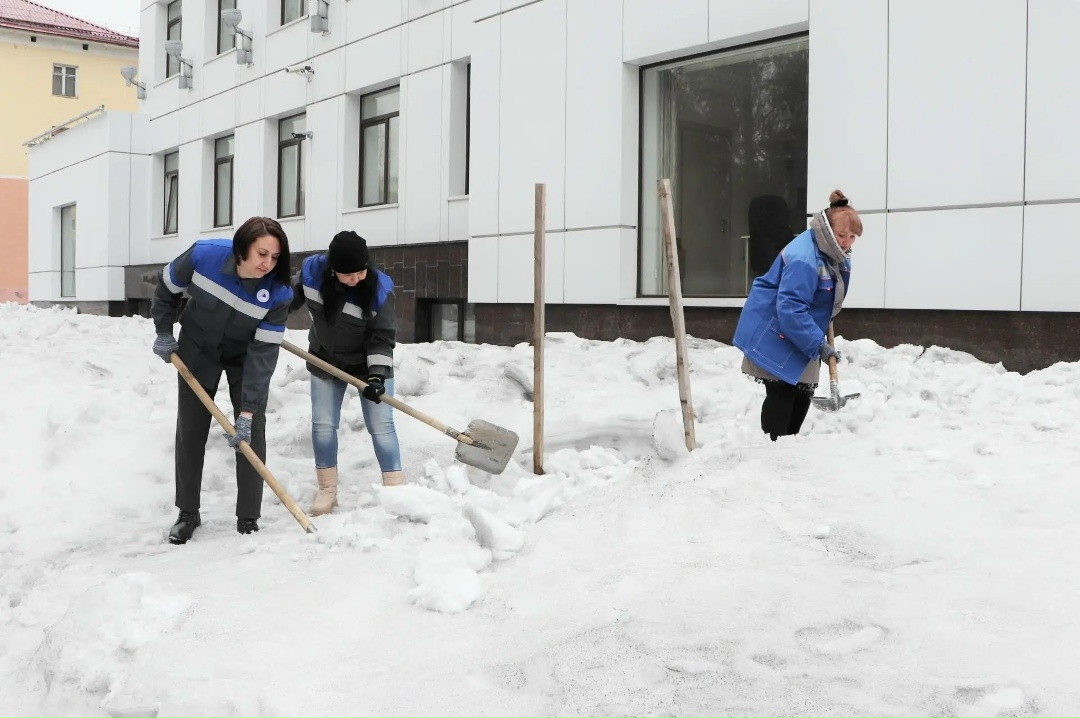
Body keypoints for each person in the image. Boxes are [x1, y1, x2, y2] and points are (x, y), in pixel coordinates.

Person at [150, 217, 293, 544]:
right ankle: (188, 512)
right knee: (191, 429)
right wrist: (163, 331)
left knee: (251, 429)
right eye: (261, 254)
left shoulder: (278, 293)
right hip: (198, 347)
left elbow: (264, 355)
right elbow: (166, 289)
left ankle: (248, 516)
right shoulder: (204, 256)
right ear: (242, 248)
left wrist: (248, 409)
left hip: (246, 356)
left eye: (275, 258)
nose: (267, 264)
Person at [733, 190, 862, 441]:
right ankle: (772, 453)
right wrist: (818, 344)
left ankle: (787, 450)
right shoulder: (804, 258)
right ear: (827, 230)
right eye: (842, 235)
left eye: (852, 237)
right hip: (775, 329)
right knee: (782, 392)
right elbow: (790, 309)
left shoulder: (835, 255)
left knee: (803, 392)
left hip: (800, 330)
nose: (847, 242)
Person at [289, 230, 402, 516]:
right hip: (325, 359)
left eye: (361, 272)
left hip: (368, 366)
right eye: (348, 275)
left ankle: (396, 491)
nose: (356, 279)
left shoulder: (379, 289)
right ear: (332, 270)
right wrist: (265, 314)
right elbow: (287, 299)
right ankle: (327, 490)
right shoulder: (312, 273)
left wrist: (376, 376)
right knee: (323, 426)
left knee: (382, 427)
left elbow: (382, 337)